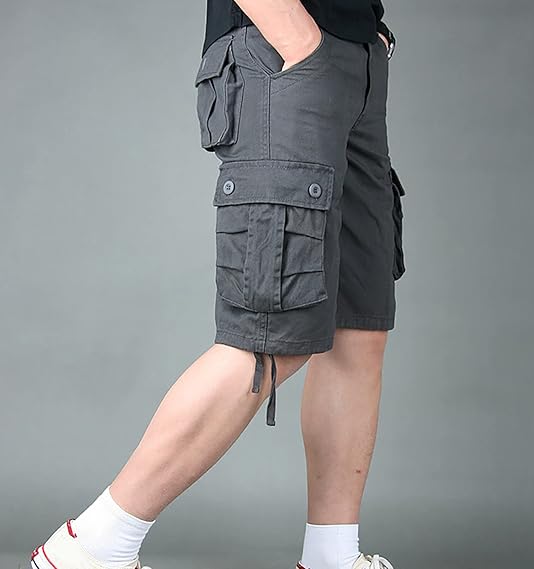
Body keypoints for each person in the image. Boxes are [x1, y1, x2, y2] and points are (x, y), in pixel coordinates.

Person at [30, 1, 406, 568]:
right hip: (285, 50)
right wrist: (300, 42)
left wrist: (367, 40)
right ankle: (92, 548)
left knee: (358, 328)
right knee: (271, 331)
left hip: (358, 61)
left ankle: (331, 558)